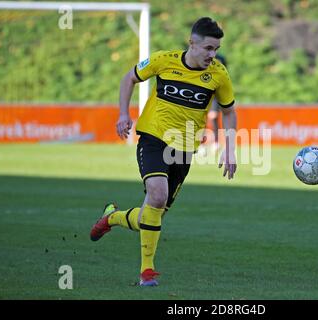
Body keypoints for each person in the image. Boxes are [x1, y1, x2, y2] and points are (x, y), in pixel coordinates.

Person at [89, 17, 237, 287]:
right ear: (191, 43)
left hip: (185, 149)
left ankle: (112, 217)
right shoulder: (163, 60)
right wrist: (123, 113)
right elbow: (129, 79)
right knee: (157, 195)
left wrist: (230, 150)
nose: (212, 55)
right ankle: (147, 271)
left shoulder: (218, 74)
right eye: (208, 48)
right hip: (153, 138)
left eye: (215, 49)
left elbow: (228, 112)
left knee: (152, 214)